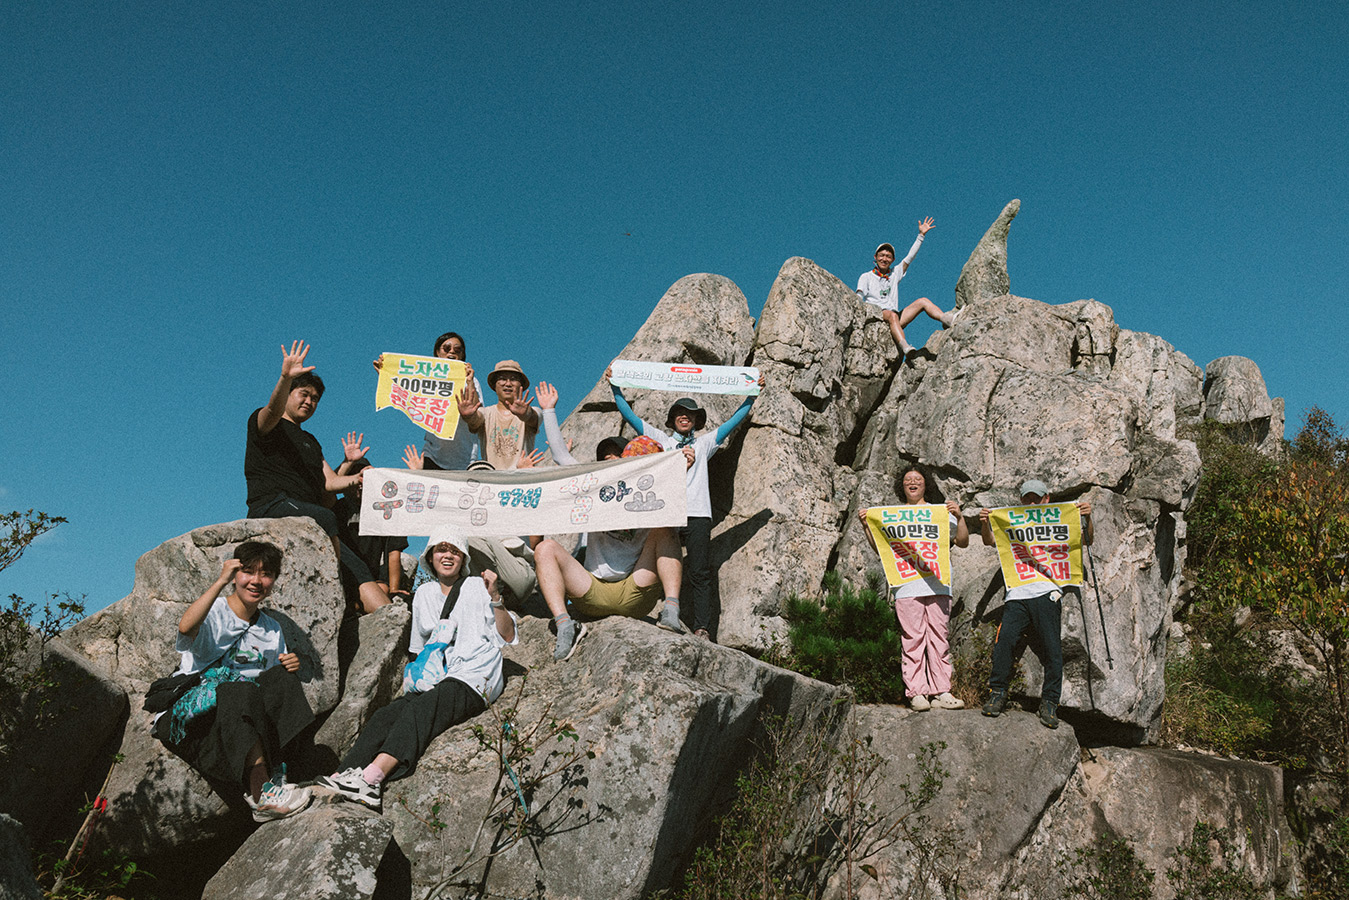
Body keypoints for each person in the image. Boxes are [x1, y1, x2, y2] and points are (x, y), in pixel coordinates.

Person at [317, 528, 516, 809]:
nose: (447, 556)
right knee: (387, 714)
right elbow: (419, 648)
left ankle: (372, 779)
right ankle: (343, 774)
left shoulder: (475, 586)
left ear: (463, 558)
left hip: (474, 674)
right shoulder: (424, 593)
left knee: (421, 709)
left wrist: (495, 596)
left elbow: (506, 636)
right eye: (441, 549)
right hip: (438, 676)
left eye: (454, 551)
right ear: (430, 556)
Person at [151, 541, 315, 822]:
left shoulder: (271, 627)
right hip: (198, 712)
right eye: (248, 572)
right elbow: (186, 628)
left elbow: (273, 692)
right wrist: (220, 581)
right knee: (239, 689)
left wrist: (291, 665)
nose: (256, 581)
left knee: (283, 680)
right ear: (235, 574)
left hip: (240, 715)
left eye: (266, 574)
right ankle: (261, 795)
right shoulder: (215, 611)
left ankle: (278, 774)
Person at [606, 366, 764, 640]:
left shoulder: (704, 444)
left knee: (700, 571)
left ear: (695, 420)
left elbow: (733, 422)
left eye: (690, 414)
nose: (685, 416)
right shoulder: (662, 441)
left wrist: (753, 394)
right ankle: (660, 610)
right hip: (666, 513)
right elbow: (630, 416)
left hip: (698, 515)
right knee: (657, 563)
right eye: (680, 413)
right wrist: (615, 386)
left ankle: (702, 627)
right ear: (672, 419)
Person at [532, 382, 686, 661]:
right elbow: (560, 456)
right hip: (592, 589)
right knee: (545, 548)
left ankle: (672, 609)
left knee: (666, 528)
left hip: (635, 588)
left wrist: (680, 467)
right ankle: (565, 625)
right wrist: (549, 412)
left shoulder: (655, 490)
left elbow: (674, 497)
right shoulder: (595, 485)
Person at [246, 340, 389, 614]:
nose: (309, 401)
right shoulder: (266, 421)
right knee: (325, 517)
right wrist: (285, 377)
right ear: (288, 392)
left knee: (358, 566)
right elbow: (272, 411)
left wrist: (357, 474)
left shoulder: (310, 440)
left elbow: (330, 483)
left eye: (315, 399)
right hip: (272, 505)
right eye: (303, 394)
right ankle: (331, 593)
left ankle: (396, 632)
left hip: (307, 513)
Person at [978, 479, 1094, 729]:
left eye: (1036, 498)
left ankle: (1050, 702)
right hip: (1017, 593)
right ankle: (997, 693)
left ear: (1046, 499)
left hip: (1047, 591)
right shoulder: (1013, 519)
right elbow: (989, 541)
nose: (1031, 502)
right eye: (1027, 498)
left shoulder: (1059, 517)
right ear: (1020, 500)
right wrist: (986, 523)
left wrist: (1087, 518)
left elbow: (1086, 540)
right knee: (1005, 642)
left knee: (1052, 648)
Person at [857, 465, 969, 711]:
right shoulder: (893, 515)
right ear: (902, 486)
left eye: (918, 479)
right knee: (912, 639)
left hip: (938, 585)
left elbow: (962, 542)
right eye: (908, 479)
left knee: (939, 638)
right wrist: (867, 525)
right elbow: (881, 549)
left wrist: (959, 517)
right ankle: (917, 692)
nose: (913, 483)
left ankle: (942, 691)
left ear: (925, 484)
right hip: (907, 586)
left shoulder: (939, 513)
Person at [372, 330, 484, 470]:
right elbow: (404, 386)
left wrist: (470, 382)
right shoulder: (426, 378)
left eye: (457, 350)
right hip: (433, 456)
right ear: (437, 352)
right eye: (446, 348)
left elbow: (478, 416)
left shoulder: (471, 380)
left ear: (462, 355)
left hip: (465, 459)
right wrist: (387, 371)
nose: (451, 353)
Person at [856, 218, 959, 357]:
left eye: (888, 256)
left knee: (922, 301)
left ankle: (947, 319)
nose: (884, 259)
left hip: (895, 316)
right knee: (892, 315)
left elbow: (910, 257)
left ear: (892, 260)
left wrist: (921, 236)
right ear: (875, 257)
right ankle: (905, 347)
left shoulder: (894, 273)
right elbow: (858, 298)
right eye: (881, 256)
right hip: (877, 314)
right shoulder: (866, 276)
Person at [333, 457, 411, 605]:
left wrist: (393, 588)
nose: (360, 484)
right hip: (342, 574)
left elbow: (393, 552)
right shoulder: (336, 509)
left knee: (381, 589)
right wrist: (346, 463)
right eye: (356, 477)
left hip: (371, 579)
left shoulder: (386, 511)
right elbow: (326, 488)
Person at [461, 360, 541, 471]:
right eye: (502, 379)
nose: (508, 384)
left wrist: (525, 414)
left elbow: (533, 418)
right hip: (493, 481)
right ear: (495, 386)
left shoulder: (534, 410)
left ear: (521, 385)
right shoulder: (487, 413)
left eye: (513, 379)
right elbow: (475, 421)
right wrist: (468, 416)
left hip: (522, 478)